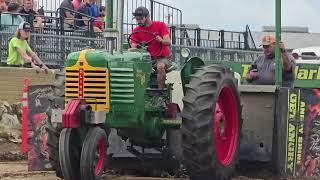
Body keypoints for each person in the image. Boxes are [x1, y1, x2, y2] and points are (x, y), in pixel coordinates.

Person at [130, 6, 171, 90]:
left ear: (147, 17)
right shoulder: (136, 30)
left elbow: (168, 42)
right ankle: (138, 91)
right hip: (146, 58)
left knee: (160, 66)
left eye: (141, 19)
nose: (138, 21)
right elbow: (133, 46)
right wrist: (134, 48)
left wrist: (161, 40)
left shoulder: (160, 25)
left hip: (161, 58)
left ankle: (160, 92)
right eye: (137, 19)